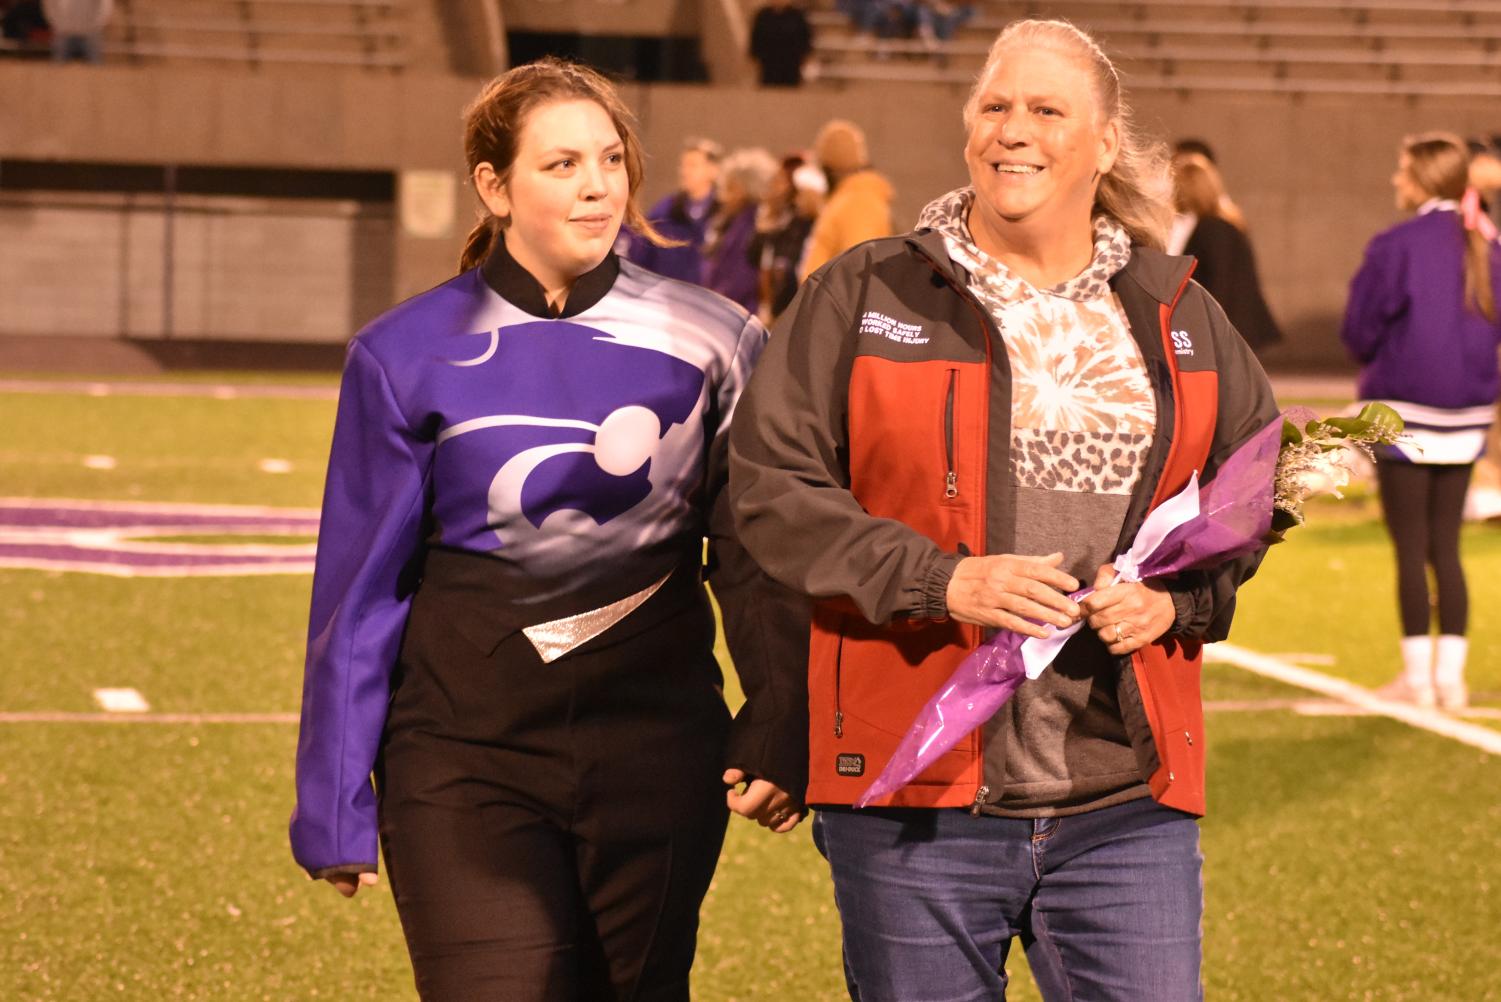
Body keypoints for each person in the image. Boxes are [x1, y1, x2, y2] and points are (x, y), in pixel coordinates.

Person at [730, 18, 1278, 1001]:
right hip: (915, 792)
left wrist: (1178, 603)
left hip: (1125, 797)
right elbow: (771, 487)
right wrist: (941, 579)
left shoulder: (1174, 310)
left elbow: (1253, 488)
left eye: (1044, 109)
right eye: (993, 105)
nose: (1011, 129)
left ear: (1103, 142)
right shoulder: (864, 292)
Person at [290, 58, 808, 1002]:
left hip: (658, 755)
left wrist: (780, 719)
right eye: (561, 164)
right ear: (494, 186)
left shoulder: (718, 337)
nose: (597, 185)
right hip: (460, 759)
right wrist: (332, 796)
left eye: (610, 159)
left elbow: (756, 557)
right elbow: (359, 593)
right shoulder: (404, 352)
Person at [1341, 132, 1501, 711]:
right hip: (1468, 418)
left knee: (1410, 547)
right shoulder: (1487, 242)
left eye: (1403, 171)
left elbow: (1358, 330)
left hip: (1406, 414)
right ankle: (1452, 679)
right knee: (1446, 546)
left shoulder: (1398, 244)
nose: (1395, 181)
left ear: (1425, 180)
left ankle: (1417, 678)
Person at [1173, 152, 1283, 353]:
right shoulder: (1224, 223)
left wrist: (1209, 329)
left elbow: (1219, 283)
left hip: (1226, 328)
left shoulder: (1211, 229)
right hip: (1233, 326)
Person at [799, 118, 893, 277]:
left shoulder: (858, 203)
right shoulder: (847, 200)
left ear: (830, 169)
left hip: (831, 301)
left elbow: (858, 275)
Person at [623, 137, 722, 285]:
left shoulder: (725, 215)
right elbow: (643, 253)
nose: (685, 171)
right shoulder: (665, 210)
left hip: (710, 300)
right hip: (669, 297)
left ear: (713, 170)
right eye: (683, 165)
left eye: (693, 165)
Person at [702, 146, 777, 314]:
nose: (722, 197)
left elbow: (740, 281)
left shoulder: (753, 229)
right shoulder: (729, 223)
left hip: (736, 314)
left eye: (730, 189)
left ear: (746, 190)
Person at [751, 156, 826, 322]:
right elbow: (755, 257)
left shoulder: (813, 226)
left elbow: (795, 269)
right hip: (776, 306)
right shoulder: (784, 222)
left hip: (794, 308)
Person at [749, 0, 812, 87]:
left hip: (791, 64)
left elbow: (805, 37)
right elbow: (756, 37)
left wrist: (805, 56)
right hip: (769, 64)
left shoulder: (797, 15)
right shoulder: (763, 15)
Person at [40, 0, 110, 63]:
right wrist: (57, 25)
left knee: (96, 69)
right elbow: (48, 4)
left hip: (90, 33)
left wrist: (97, 25)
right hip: (63, 33)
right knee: (57, 69)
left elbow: (105, 5)